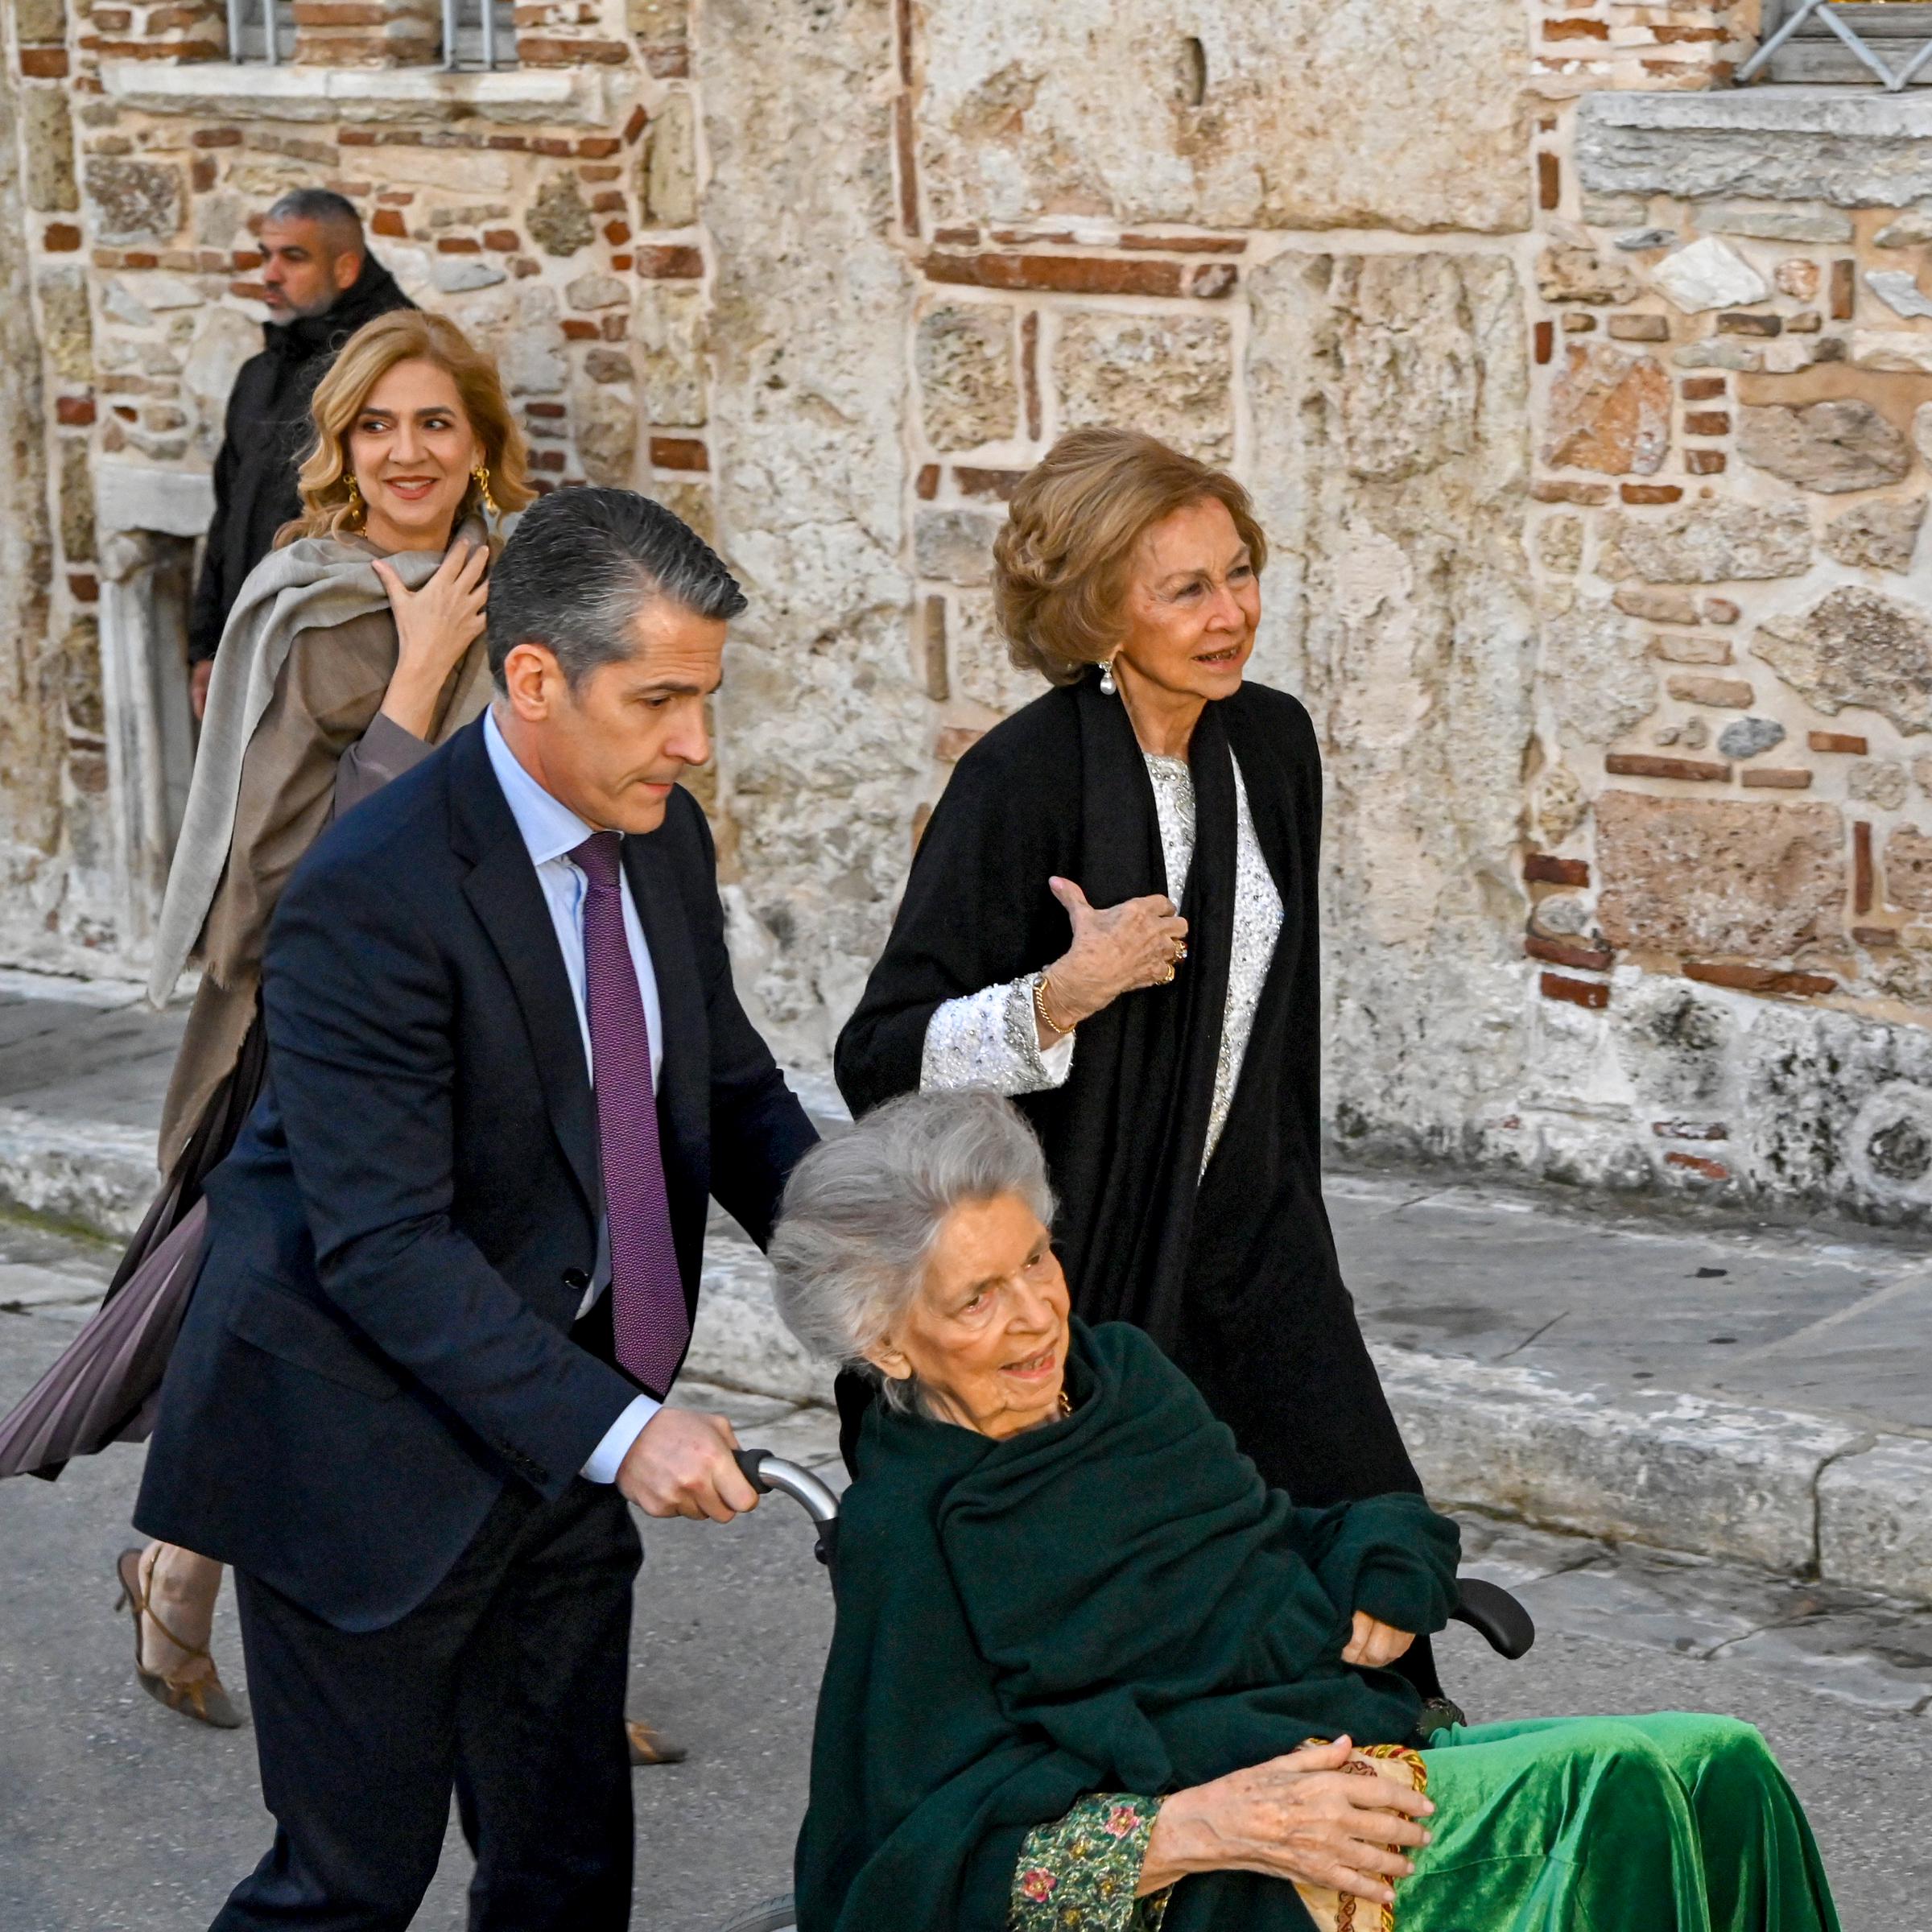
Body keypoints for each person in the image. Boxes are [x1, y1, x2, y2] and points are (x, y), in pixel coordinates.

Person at [134, 485, 818, 1930]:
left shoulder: (662, 838)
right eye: (661, 701)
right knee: (346, 1888)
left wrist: (891, 1265)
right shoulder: (371, 892)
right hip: (354, 1457)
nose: (695, 742)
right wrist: (632, 1433)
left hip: (555, 1425)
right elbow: (385, 1249)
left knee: (566, 1868)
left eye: (707, 699)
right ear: (532, 679)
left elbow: (732, 1096)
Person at [769, 1090, 1843, 1932]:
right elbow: (908, 1864)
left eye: (1037, 1260)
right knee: (1621, 1795)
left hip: (1341, 1749)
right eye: (976, 1298)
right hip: (1233, 1869)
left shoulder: (1124, 1380)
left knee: (1724, 1770)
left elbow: (1273, 1543)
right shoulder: (907, 1531)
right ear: (888, 1345)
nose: (1038, 1311)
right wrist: (1201, 1826)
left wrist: (1383, 1554)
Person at [834, 427, 1450, 1700]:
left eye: (1241, 573)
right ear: (1098, 607)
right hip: (1092, 1270)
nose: (1233, 615)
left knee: (1372, 1573)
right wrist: (1062, 995)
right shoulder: (1021, 780)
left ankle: (1378, 1854)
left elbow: (1269, 1033)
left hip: (1255, 1243)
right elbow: (879, 1059)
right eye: (1188, 589)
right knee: (1133, 1645)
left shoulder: (1268, 745)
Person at [0, 308, 524, 1726]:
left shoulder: (534, 589)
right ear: (341, 448)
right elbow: (287, 890)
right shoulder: (314, 609)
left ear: (482, 438)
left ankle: (194, 1573)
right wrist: (417, 685)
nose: (407, 452)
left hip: (513, 1032)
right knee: (325, 1326)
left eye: (435, 422)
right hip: (337, 1037)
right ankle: (507, 1669)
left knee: (464, 1326)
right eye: (377, 426)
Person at [188, 187, 415, 719]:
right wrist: (209, 646)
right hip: (253, 654)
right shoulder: (260, 375)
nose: (269, 274)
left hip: (351, 672)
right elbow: (229, 514)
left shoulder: (400, 369)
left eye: (293, 257)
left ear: (346, 268)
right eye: (266, 255)